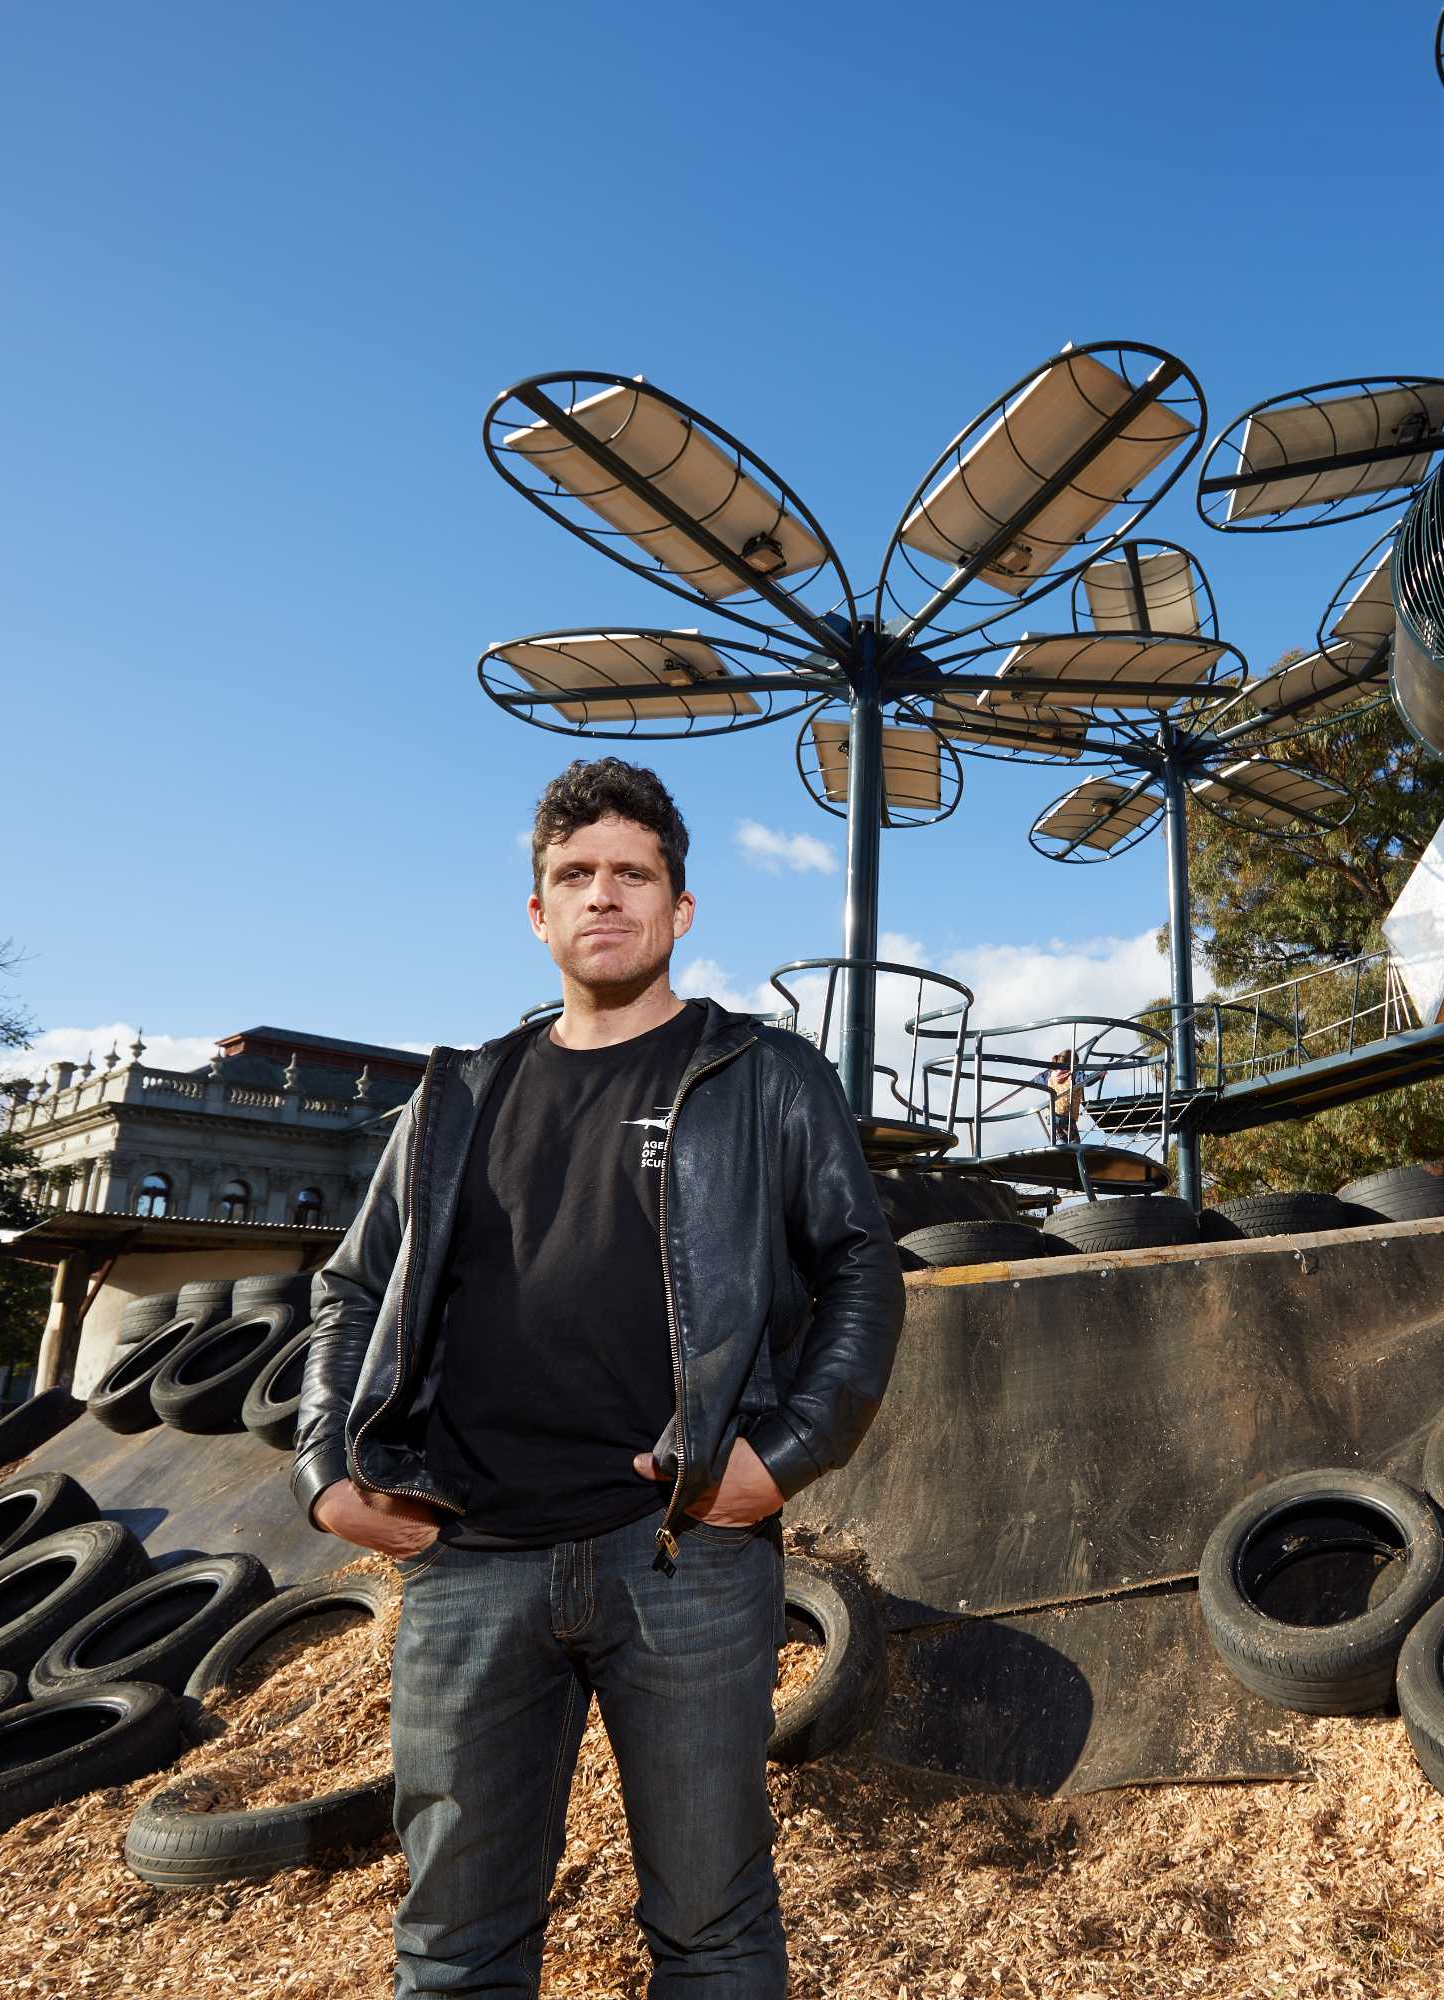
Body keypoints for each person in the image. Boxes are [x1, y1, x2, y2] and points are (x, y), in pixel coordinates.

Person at [294, 757, 902, 2000]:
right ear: (538, 913)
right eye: (575, 875)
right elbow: (353, 1286)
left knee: (712, 1925)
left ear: (680, 910)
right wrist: (323, 1472)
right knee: (454, 1942)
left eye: (634, 874)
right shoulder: (458, 1094)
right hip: (468, 1557)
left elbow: (861, 1271)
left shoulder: (764, 1076)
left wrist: (775, 1460)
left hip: (678, 1552)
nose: (603, 895)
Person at [1045, 1047, 1085, 1145]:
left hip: (1052, 1115)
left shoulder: (1050, 1075)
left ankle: (1061, 1153)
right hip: (1067, 1116)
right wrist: (1099, 1074)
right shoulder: (1074, 1075)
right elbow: (1087, 1080)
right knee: (1075, 1141)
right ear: (1074, 1064)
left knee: (1061, 1138)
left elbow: (1037, 1079)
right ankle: (1072, 1157)